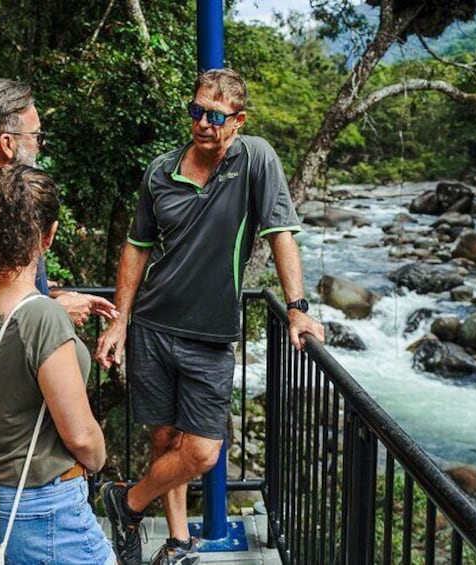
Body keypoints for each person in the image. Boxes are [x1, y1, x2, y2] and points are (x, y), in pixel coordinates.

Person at [95, 68, 325, 565]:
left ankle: (126, 501)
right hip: (153, 327)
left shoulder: (255, 158)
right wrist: (120, 320)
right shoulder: (160, 170)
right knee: (163, 439)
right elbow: (136, 248)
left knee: (200, 453)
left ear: (238, 120)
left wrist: (298, 308)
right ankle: (177, 542)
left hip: (211, 335)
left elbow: (280, 233)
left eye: (215, 116)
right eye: (196, 111)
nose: (203, 123)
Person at [0, 165, 116, 564]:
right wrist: (98, 459)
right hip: (42, 506)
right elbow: (81, 435)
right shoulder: (40, 316)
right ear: (47, 235)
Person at [0, 78, 114, 325]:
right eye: (37, 135)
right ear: (8, 143)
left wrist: (49, 295)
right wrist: (57, 310)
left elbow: (6, 290)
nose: (41, 144)